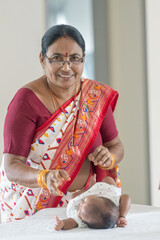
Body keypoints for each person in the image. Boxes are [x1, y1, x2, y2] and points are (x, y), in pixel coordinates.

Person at [0, 24, 124, 224]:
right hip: (35, 209)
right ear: (42, 59)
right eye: (57, 58)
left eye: (74, 58)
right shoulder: (26, 101)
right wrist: (43, 177)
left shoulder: (94, 96)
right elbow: (12, 166)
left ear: (83, 59)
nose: (67, 67)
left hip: (88, 208)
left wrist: (109, 157)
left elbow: (116, 146)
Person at [54, 176, 131, 230]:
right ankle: (93, 189)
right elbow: (126, 197)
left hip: (90, 192)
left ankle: (90, 188)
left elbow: (71, 222)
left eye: (80, 209)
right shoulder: (113, 204)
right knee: (108, 179)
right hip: (107, 192)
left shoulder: (81, 220)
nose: (81, 203)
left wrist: (62, 224)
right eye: (85, 202)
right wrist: (122, 215)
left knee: (73, 196)